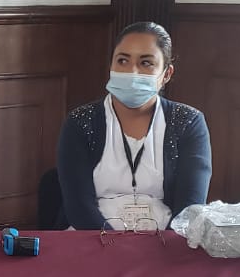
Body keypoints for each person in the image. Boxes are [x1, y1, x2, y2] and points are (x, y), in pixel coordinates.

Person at [56, 21, 212, 230]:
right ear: (111, 65)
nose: (132, 72)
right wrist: (114, 244)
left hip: (166, 240)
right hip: (92, 237)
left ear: (166, 74)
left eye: (146, 63)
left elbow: (189, 208)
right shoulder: (80, 122)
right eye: (122, 60)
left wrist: (160, 246)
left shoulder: (188, 122)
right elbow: (79, 208)